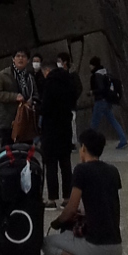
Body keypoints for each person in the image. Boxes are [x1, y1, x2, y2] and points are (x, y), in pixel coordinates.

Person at [44, 128, 123, 255]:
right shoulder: (113, 171)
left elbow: (71, 208)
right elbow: (106, 201)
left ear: (84, 148)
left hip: (96, 246)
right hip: (116, 247)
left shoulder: (82, 170)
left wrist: (57, 222)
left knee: (47, 243)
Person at [40, 53, 82, 207]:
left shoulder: (49, 83)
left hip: (51, 127)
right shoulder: (69, 80)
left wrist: (39, 108)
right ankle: (67, 197)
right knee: (65, 163)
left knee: (50, 163)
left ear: (46, 70)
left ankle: (52, 199)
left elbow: (46, 107)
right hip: (65, 126)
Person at [0, 49, 39, 145]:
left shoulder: (30, 77)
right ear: (13, 59)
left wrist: (32, 102)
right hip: (9, 120)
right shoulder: (3, 75)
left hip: (27, 120)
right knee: (8, 151)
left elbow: (35, 94)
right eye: (18, 56)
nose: (20, 58)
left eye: (23, 56)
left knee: (25, 150)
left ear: (28, 60)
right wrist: (13, 97)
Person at [88, 56, 128, 148]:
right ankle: (123, 139)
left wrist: (92, 92)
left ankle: (89, 142)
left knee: (94, 123)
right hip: (108, 100)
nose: (89, 67)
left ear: (93, 65)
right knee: (113, 120)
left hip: (100, 101)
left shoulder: (96, 75)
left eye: (90, 65)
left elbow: (101, 88)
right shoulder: (106, 73)